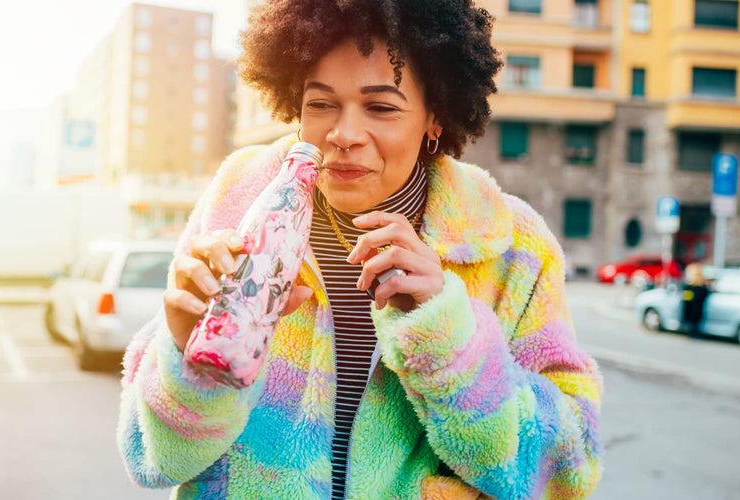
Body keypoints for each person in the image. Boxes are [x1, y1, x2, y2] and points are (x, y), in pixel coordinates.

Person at [116, 1, 604, 498]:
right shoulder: (239, 204)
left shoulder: (510, 246)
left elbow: (570, 472)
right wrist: (185, 357)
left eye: (382, 107)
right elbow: (153, 461)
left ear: (435, 116)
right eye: (321, 104)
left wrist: (449, 339)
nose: (343, 134)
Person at [681, 263, 710, 338]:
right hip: (697, 312)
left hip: (693, 311)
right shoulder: (702, 287)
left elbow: (687, 299)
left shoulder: (691, 287)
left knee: (694, 326)